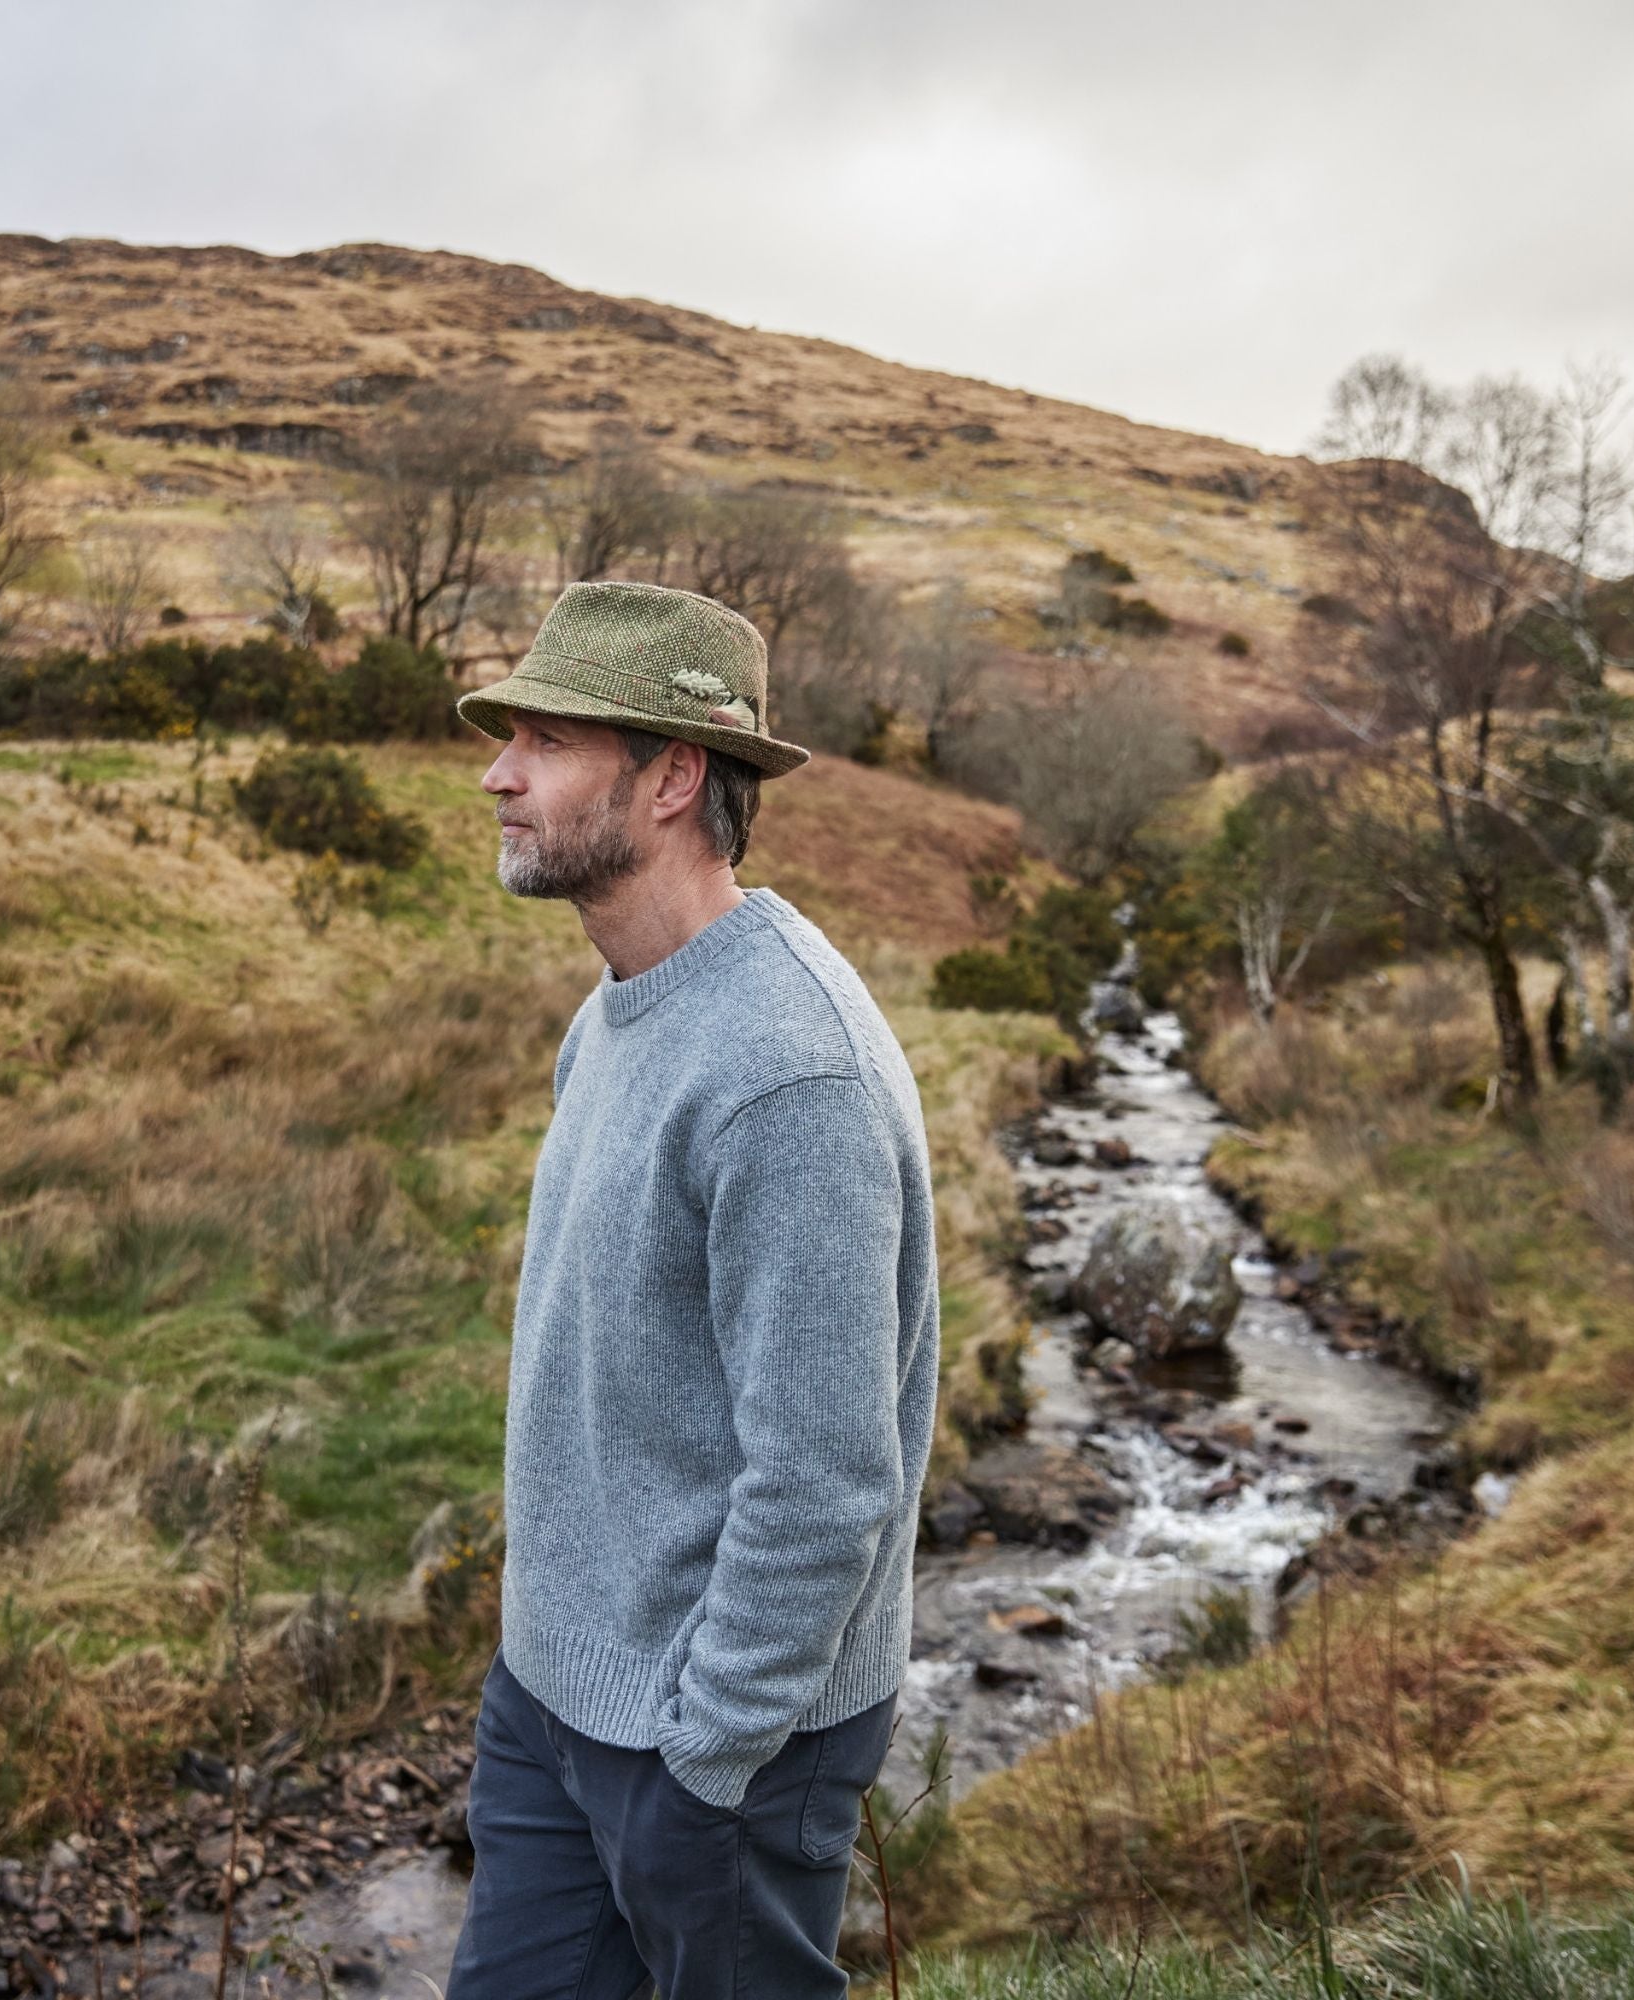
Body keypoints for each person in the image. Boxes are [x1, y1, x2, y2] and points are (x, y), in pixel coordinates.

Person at [446, 580, 940, 2000]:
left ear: (671, 775)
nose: (498, 773)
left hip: (719, 1743)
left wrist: (706, 1755)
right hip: (552, 1705)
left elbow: (828, 1480)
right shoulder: (614, 1018)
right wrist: (537, 1668)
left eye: (544, 740)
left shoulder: (791, 1074)